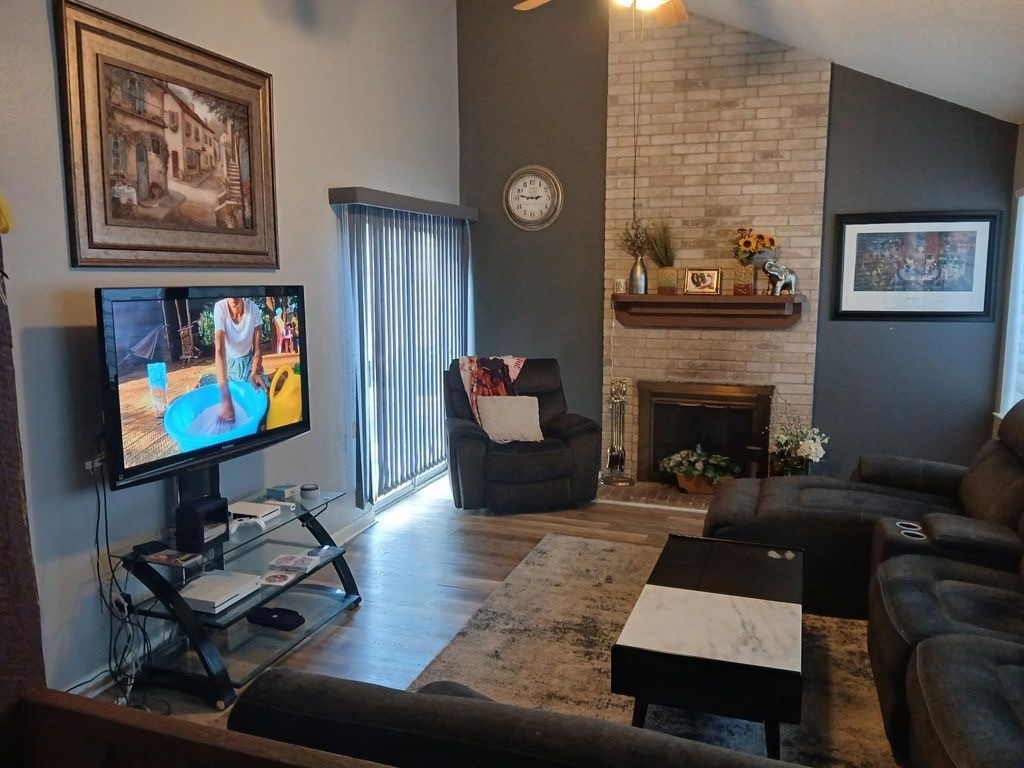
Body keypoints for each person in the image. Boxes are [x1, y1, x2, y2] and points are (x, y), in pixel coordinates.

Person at [209, 297, 267, 423]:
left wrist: (255, 372)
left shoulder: (253, 308)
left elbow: (257, 350)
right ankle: (201, 382)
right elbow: (220, 351)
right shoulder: (220, 308)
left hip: (249, 363)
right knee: (213, 391)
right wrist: (226, 400)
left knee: (262, 393)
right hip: (228, 366)